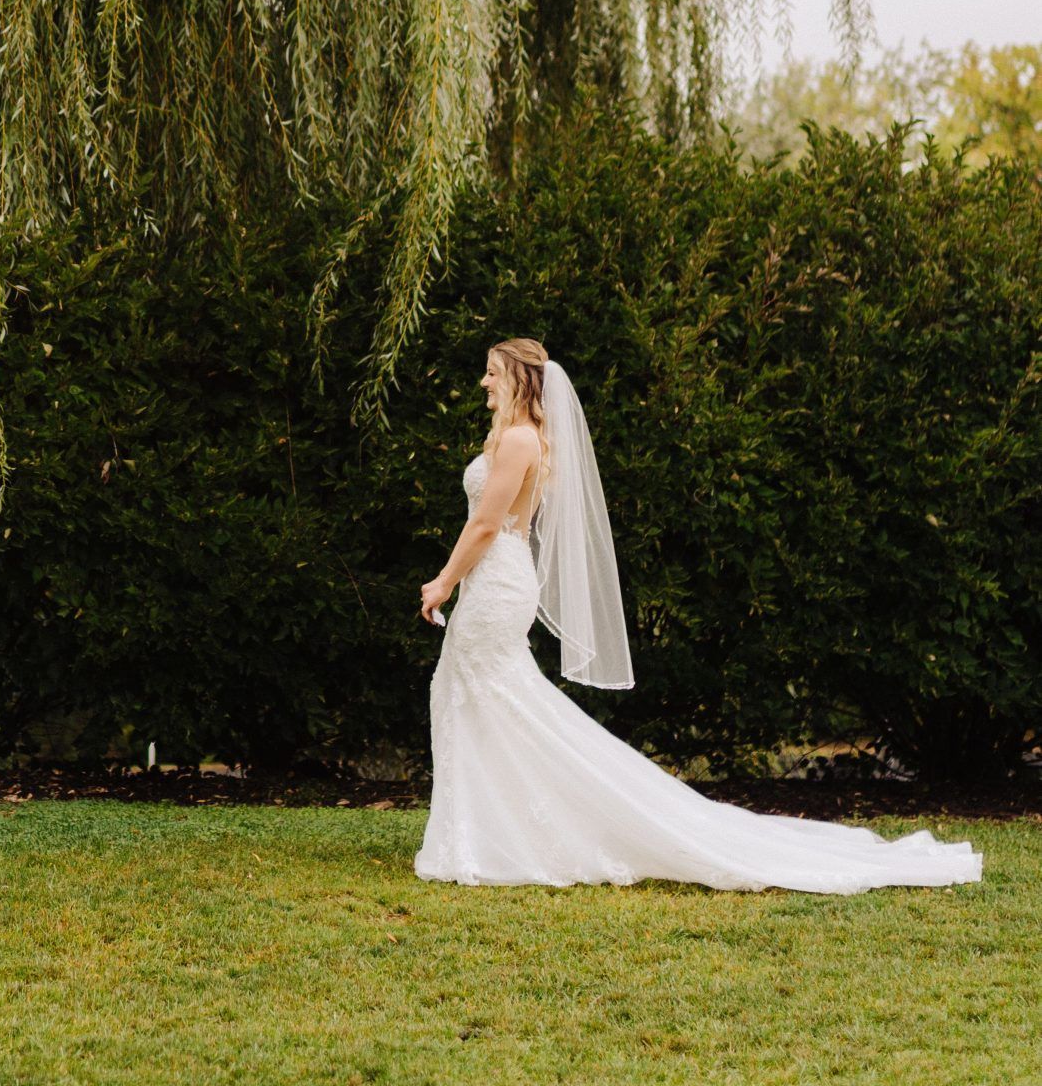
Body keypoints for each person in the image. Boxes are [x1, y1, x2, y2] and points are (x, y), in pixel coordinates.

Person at [415, 338, 982, 892]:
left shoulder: (518, 440)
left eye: (492, 371)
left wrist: (442, 581)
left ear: (516, 377)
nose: (484, 382)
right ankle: (489, 831)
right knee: (486, 700)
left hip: (495, 582)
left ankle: (502, 834)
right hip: (496, 581)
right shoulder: (522, 438)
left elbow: (486, 526)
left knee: (500, 702)